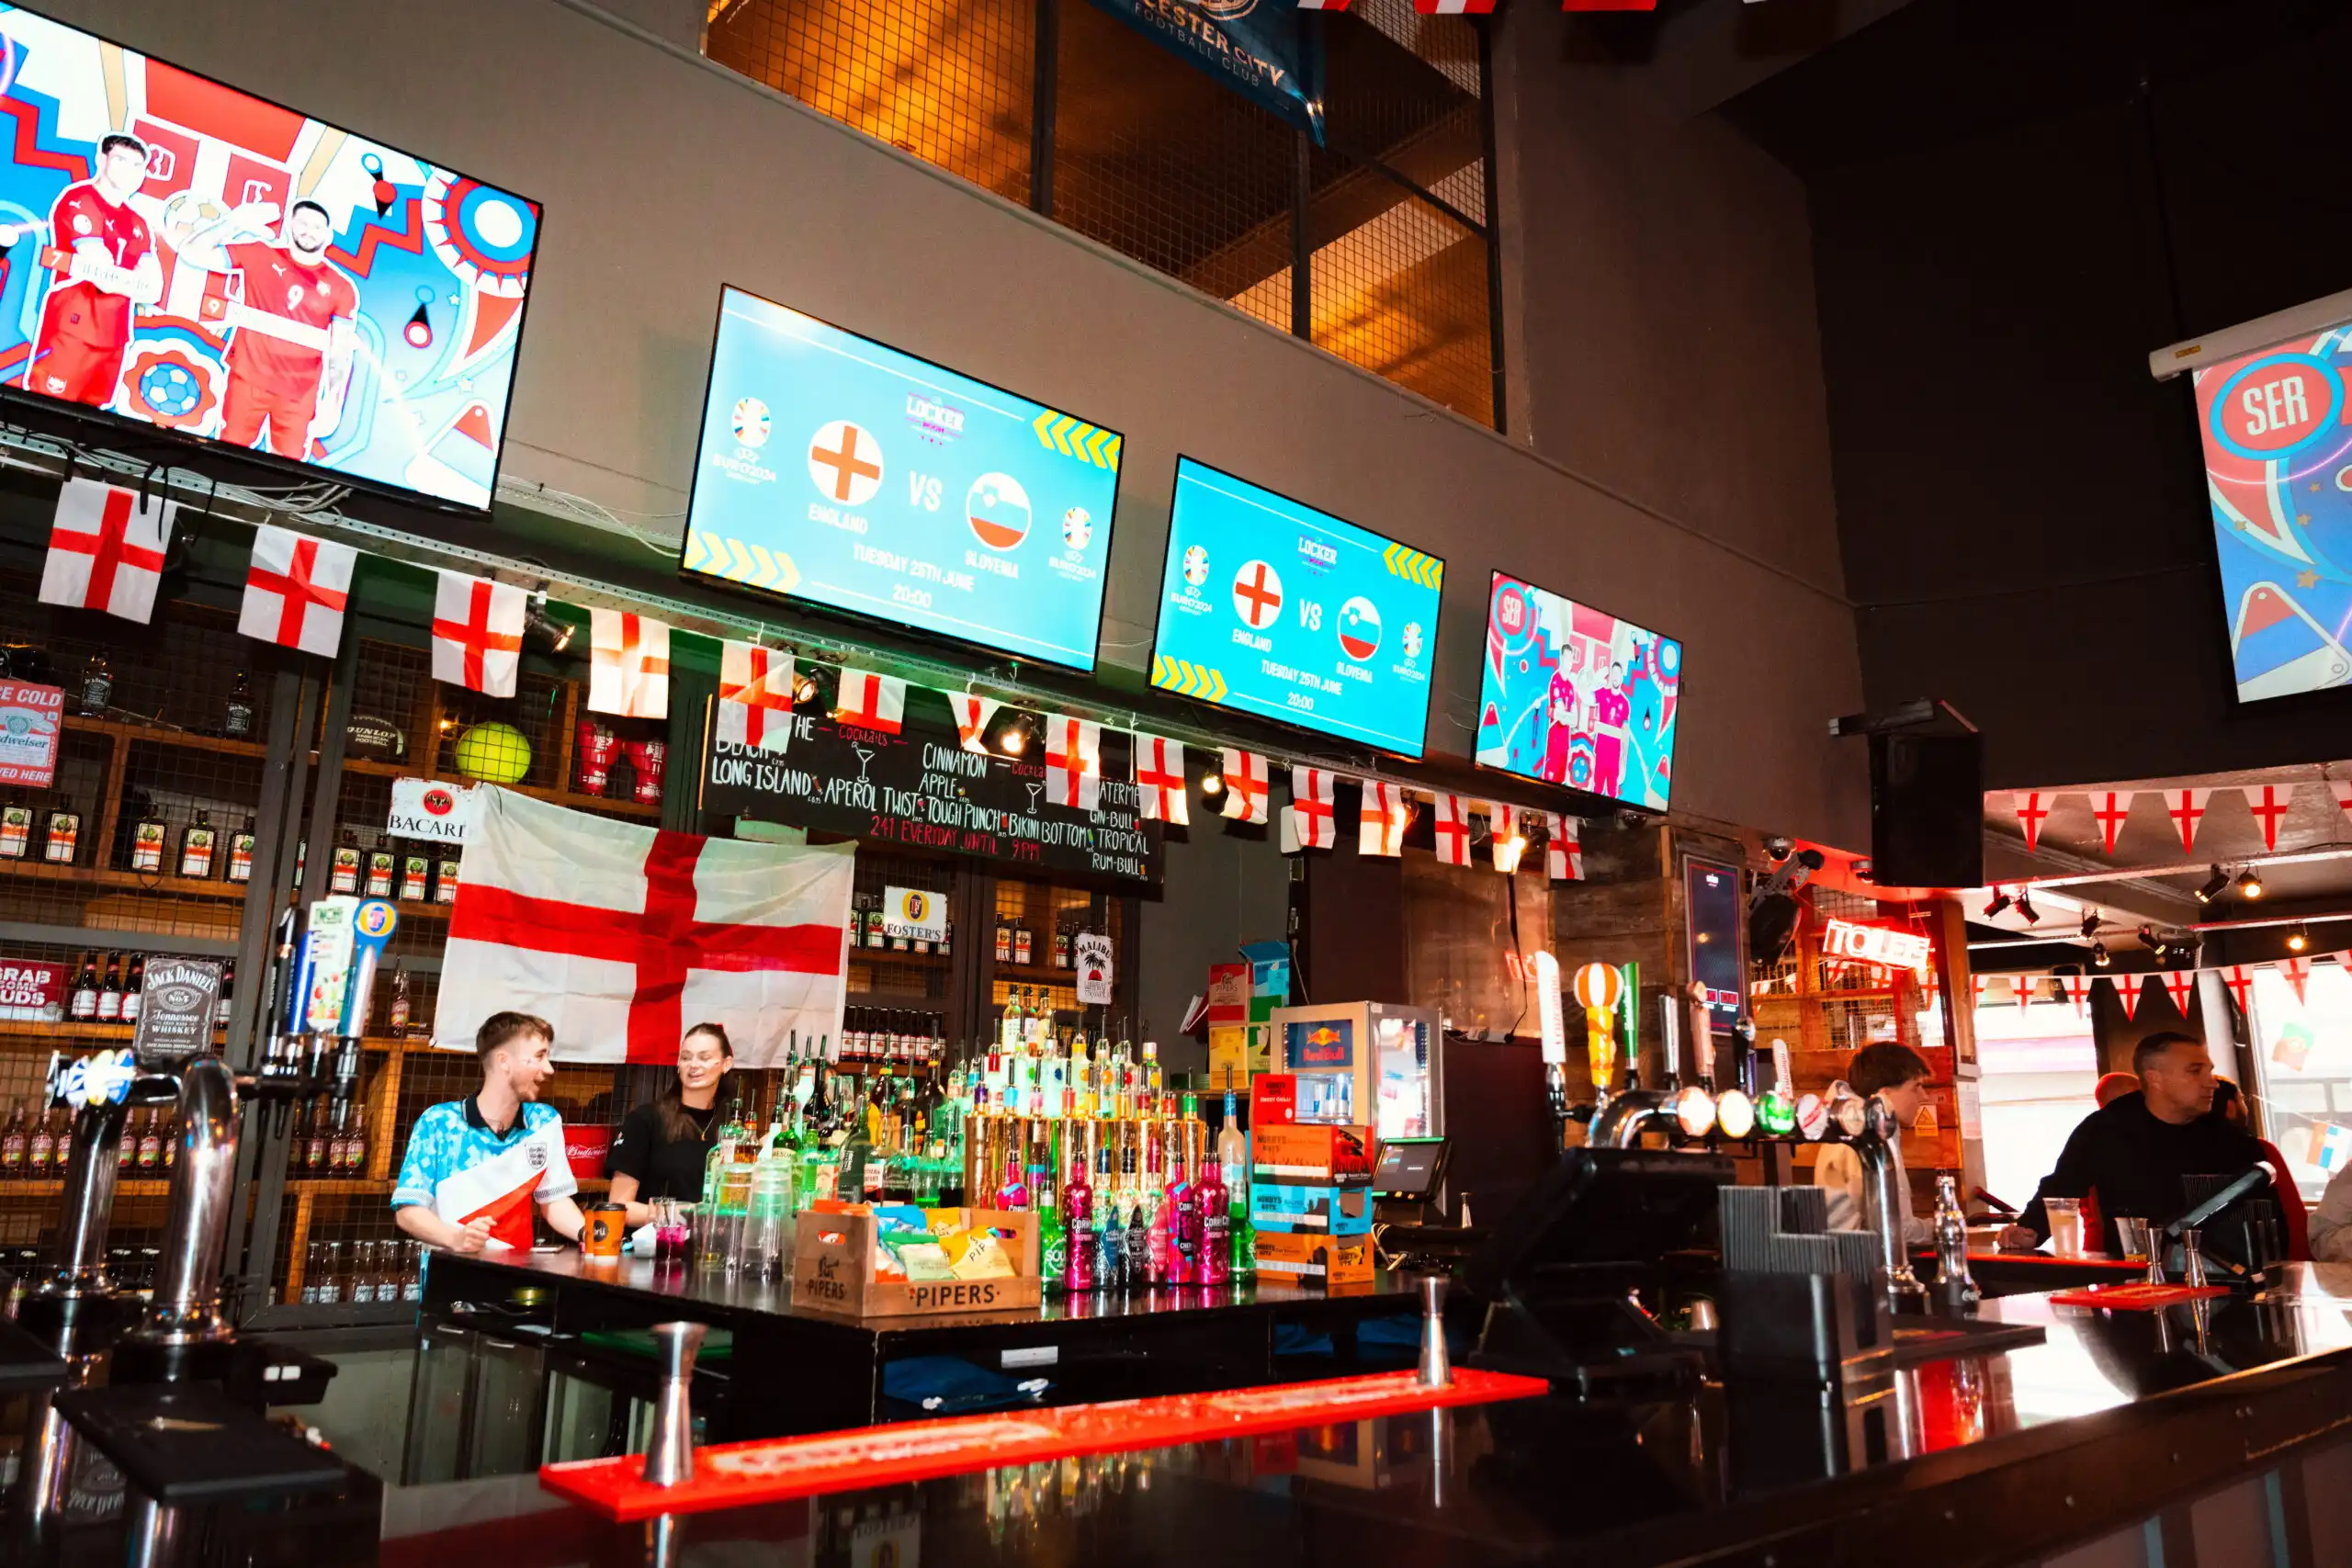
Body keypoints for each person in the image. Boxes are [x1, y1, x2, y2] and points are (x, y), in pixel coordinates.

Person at [1996, 1032, 2271, 1255]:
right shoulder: (2106, 1129)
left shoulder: (2229, 1138)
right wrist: (2028, 1230)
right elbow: (2061, 1187)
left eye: (2209, 1072)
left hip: (2227, 1278)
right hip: (2131, 1281)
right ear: (2155, 1078)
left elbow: (2266, 1217)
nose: (2211, 1084)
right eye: (2195, 1071)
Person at [393, 1011, 586, 1253]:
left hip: (518, 1271)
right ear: (504, 1061)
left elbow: (554, 1202)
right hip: (450, 1272)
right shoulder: (438, 1122)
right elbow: (408, 1211)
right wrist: (456, 1238)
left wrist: (589, 1234)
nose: (548, 1069)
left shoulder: (544, 1121)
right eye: (539, 1056)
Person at [183, 197, 359, 457]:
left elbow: (340, 352)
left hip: (299, 395)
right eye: (303, 223)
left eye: (318, 227)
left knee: (286, 476)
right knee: (226, 460)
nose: (309, 231)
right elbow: (192, 253)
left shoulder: (342, 288)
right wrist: (233, 222)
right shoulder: (259, 253)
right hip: (247, 380)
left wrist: (334, 403)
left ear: (329, 235)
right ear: (289, 225)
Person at [25, 132, 161, 408]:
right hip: (74, 329)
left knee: (90, 429)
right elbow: (104, 277)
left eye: (138, 166)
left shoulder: (139, 223)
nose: (131, 171)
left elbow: (155, 289)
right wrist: (131, 281)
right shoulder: (81, 199)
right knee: (45, 414)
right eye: (121, 160)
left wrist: (119, 279)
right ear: (101, 159)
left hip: (115, 336)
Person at [606, 1023, 735, 1227]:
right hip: (655, 1248)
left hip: (712, 1248)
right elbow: (619, 1207)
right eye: (686, 1057)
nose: (693, 1065)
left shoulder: (733, 1127)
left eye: (704, 1057)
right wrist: (690, 1214)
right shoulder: (645, 1120)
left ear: (726, 1064)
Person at [1814, 1042, 1934, 1245]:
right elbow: (1893, 1228)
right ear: (1884, 1094)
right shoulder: (1863, 1136)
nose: (1924, 1096)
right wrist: (1942, 1228)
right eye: (1916, 1086)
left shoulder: (1857, 1128)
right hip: (1856, 1269)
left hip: (1852, 1263)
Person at [2210, 1078, 2310, 1260]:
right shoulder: (2261, 1150)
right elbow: (2292, 1210)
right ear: (2230, 1107)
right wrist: (2301, 1259)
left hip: (2211, 1258)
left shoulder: (2181, 1151)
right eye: (2241, 1100)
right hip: (2269, 1255)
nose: (2245, 1108)